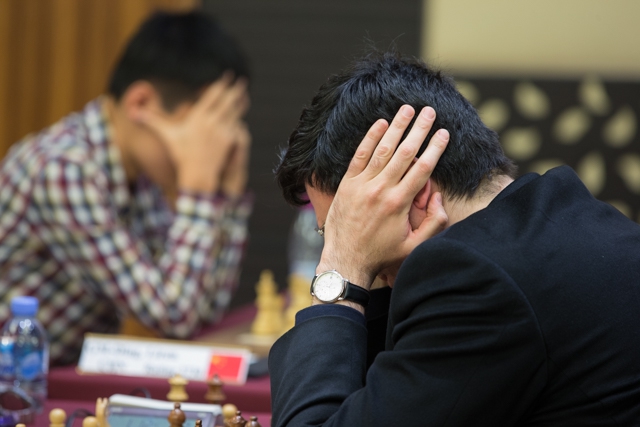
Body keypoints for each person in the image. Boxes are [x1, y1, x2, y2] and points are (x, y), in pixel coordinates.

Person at [270, 52, 640, 425]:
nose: (337, 242)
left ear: (412, 193)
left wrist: (343, 267)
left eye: (343, 227)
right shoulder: (559, 214)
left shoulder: (477, 279)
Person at [0, 10, 252, 366]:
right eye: (205, 130)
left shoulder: (140, 175)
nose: (217, 146)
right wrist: (198, 190)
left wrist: (228, 197)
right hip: (17, 380)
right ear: (141, 103)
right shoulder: (64, 168)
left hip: (50, 375)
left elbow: (201, 312)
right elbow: (173, 316)